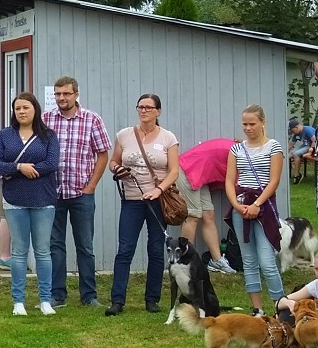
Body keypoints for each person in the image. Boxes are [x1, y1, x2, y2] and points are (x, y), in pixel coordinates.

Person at [106, 93, 179, 317]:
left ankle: (152, 299)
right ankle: (117, 300)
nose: (144, 111)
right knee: (125, 249)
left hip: (157, 200)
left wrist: (158, 189)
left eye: (148, 107)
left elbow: (174, 171)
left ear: (158, 111)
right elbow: (113, 161)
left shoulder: (168, 138)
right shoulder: (125, 135)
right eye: (140, 107)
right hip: (131, 199)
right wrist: (116, 169)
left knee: (156, 249)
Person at [42, 77, 111, 309]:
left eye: (66, 94)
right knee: (55, 246)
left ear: (76, 94)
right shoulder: (46, 119)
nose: (62, 98)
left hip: (82, 193)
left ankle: (89, 296)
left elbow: (103, 154)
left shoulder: (92, 119)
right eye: (58, 94)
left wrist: (91, 186)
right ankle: (57, 295)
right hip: (53, 193)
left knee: (85, 246)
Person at [0, 92, 59, 316]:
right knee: (19, 252)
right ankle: (18, 301)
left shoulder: (48, 135)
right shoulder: (5, 135)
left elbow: (51, 163)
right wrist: (20, 168)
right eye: (17, 108)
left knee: (42, 251)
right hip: (14, 199)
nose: (21, 111)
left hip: (43, 198)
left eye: (25, 108)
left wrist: (30, 169)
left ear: (35, 110)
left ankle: (45, 299)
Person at [225, 104, 285, 315]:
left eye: (252, 124)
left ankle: (281, 307)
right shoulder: (236, 149)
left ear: (262, 123)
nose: (248, 128)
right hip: (241, 205)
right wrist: (236, 205)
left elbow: (274, 181)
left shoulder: (274, 147)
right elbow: (230, 180)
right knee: (248, 260)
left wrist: (256, 204)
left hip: (264, 207)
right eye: (244, 124)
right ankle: (257, 309)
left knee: (267, 262)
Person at [177, 138, 236, 273]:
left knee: (208, 215)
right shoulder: (242, 156)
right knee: (192, 216)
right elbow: (238, 187)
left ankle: (216, 261)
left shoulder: (240, 150)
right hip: (187, 169)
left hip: (200, 173)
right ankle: (185, 263)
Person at [288, 118, 316, 183]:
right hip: (305, 145)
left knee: (295, 154)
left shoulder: (307, 130)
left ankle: (297, 175)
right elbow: (291, 144)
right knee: (291, 153)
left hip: (312, 145)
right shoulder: (296, 134)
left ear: (297, 127)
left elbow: (314, 141)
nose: (292, 133)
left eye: (292, 131)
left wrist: (310, 152)